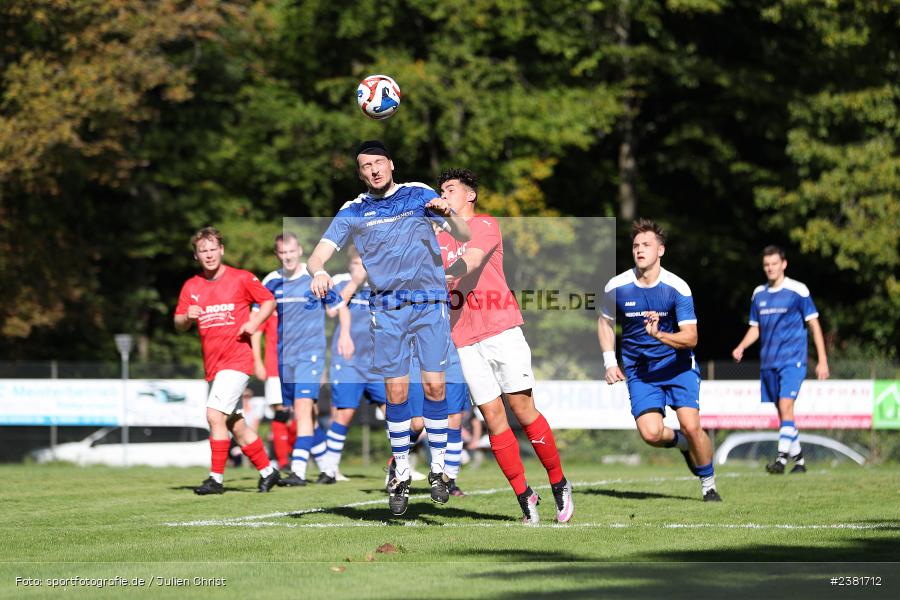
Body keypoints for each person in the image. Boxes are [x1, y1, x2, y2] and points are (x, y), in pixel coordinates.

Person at [306, 140, 471, 516]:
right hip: (388, 309)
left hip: (429, 303)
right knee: (395, 394)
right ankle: (400, 472)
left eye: (379, 162)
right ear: (361, 172)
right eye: (366, 166)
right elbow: (319, 252)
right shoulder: (354, 210)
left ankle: (440, 469)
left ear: (391, 165)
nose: (374, 170)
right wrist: (317, 270)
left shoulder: (419, 194)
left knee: (434, 385)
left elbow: (463, 235)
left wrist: (448, 211)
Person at [436, 168, 574, 524]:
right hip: (464, 338)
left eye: (451, 189)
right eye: (441, 190)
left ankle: (558, 483)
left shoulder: (484, 224)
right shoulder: (438, 238)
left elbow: (474, 259)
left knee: (522, 409)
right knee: (493, 418)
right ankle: (524, 495)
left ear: (470, 196)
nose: (444, 194)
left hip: (501, 328)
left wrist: (449, 272)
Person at [598, 219, 720, 502]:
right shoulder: (617, 286)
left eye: (647, 245)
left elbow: (691, 338)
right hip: (640, 371)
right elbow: (605, 322)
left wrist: (660, 334)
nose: (640, 250)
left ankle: (708, 483)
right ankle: (682, 445)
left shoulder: (677, 288)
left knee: (692, 425)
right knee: (651, 434)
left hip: (678, 368)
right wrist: (609, 361)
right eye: (636, 246)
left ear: (661, 250)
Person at [174, 226, 280, 495]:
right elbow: (178, 323)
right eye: (203, 251)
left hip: (237, 360)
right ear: (196, 256)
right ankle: (269, 471)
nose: (208, 255)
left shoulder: (241, 278)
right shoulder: (192, 286)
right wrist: (188, 316)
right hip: (214, 366)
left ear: (221, 250)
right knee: (234, 424)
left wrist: (253, 322)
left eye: (212, 249)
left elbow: (268, 302)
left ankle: (216, 479)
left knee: (214, 415)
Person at [731, 245, 829, 474]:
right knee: (784, 413)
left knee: (786, 406)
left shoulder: (798, 291)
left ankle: (781, 459)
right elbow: (755, 328)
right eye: (766, 265)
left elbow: (814, 324)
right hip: (768, 363)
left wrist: (823, 360)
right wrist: (741, 346)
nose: (770, 268)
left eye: (774, 263)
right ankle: (801, 462)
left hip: (792, 360)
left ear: (783, 264)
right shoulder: (759, 294)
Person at [262, 232, 339, 487]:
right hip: (286, 357)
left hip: (311, 354)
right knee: (307, 415)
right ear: (277, 255)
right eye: (282, 253)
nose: (287, 257)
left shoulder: (314, 277)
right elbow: (258, 317)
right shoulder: (271, 282)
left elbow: (338, 308)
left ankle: (297, 471)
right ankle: (328, 469)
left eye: (291, 252)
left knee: (304, 410)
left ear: (300, 252)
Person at [317, 247, 388, 482]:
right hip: (348, 360)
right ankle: (330, 469)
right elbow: (331, 310)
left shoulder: (382, 283)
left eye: (365, 264)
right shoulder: (340, 281)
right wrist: (355, 283)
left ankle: (400, 464)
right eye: (357, 264)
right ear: (350, 265)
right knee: (344, 413)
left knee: (395, 412)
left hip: (377, 362)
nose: (362, 269)